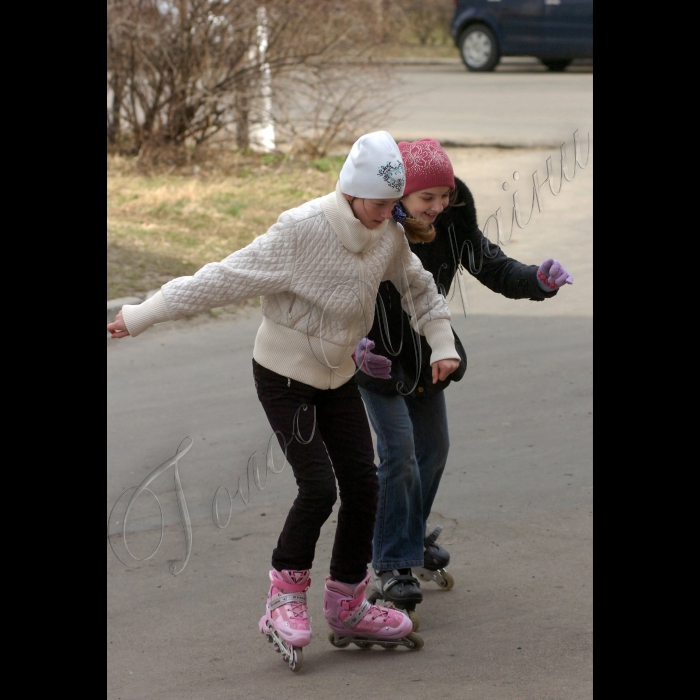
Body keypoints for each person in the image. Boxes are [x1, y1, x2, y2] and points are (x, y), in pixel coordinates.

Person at [107, 131, 461, 670]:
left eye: (395, 205)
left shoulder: (387, 234)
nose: (388, 215)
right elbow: (222, 278)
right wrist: (141, 314)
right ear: (350, 191)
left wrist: (440, 342)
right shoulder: (302, 230)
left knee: (364, 484)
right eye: (379, 204)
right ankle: (284, 599)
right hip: (283, 374)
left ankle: (347, 602)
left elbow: (418, 288)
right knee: (318, 487)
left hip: (338, 374)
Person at [353, 138, 573, 629]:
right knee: (399, 455)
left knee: (433, 450)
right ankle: (390, 562)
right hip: (369, 355)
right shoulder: (370, 224)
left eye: (444, 196)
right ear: (399, 196)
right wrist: (354, 349)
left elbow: (490, 264)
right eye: (425, 198)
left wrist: (538, 279)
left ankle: (406, 536)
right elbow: (332, 290)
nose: (437, 207)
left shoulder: (453, 219)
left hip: (428, 352)